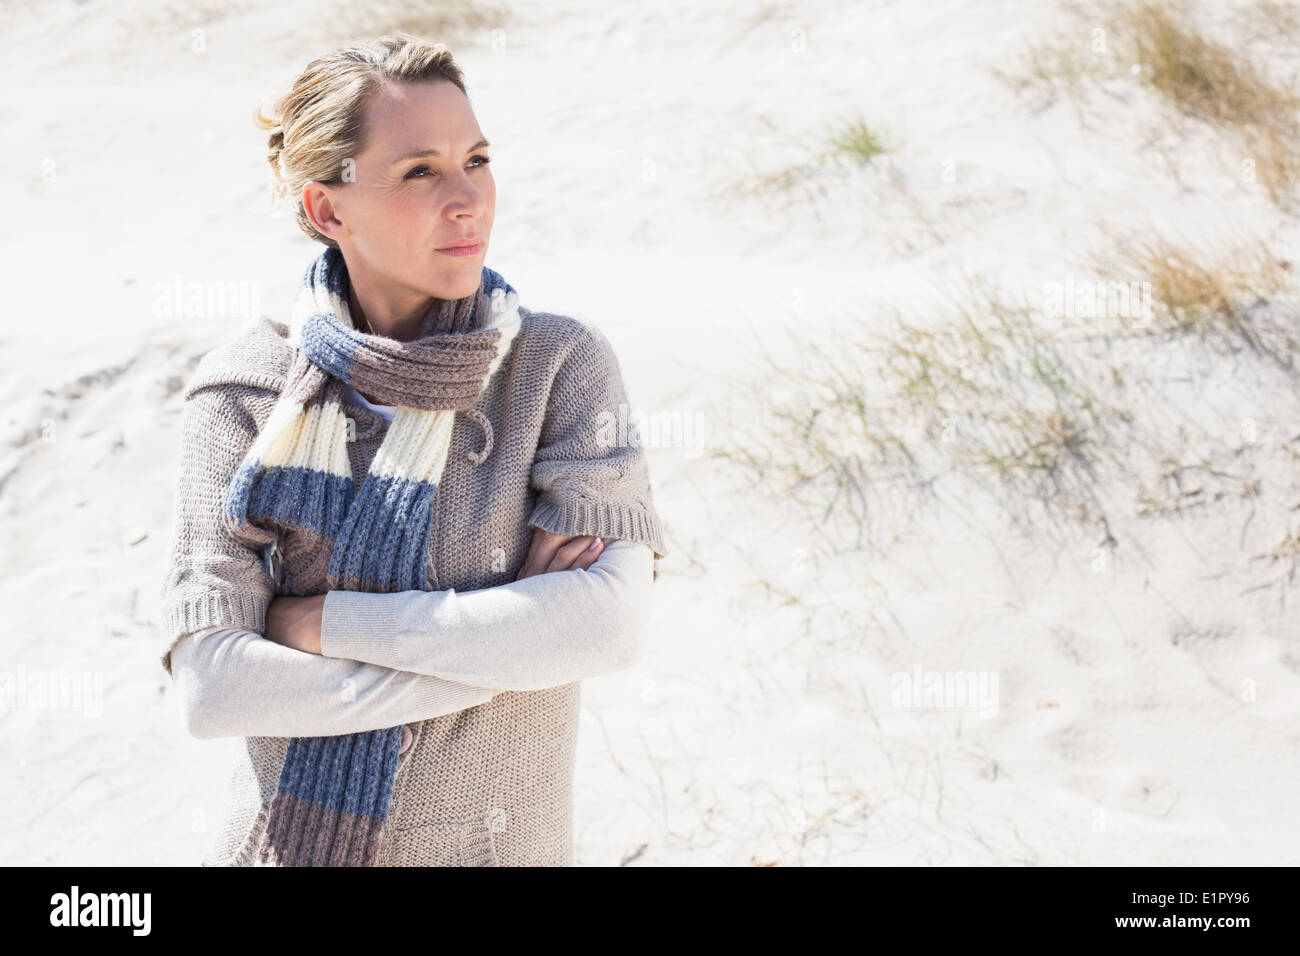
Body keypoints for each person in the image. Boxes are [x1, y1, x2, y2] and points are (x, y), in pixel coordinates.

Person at [157, 33, 668, 867]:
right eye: (420, 171)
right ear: (329, 210)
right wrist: (503, 651)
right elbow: (215, 685)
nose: (468, 200)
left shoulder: (555, 367)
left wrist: (324, 624)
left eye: (477, 159)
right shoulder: (244, 393)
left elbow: (607, 627)